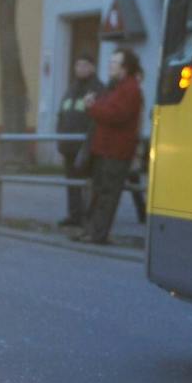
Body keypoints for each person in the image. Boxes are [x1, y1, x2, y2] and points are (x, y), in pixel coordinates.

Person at [79, 48, 143, 246]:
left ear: (125, 68)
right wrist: (95, 105)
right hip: (104, 150)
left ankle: (98, 234)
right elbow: (106, 108)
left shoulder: (130, 89)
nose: (110, 65)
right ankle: (90, 232)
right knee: (98, 193)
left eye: (115, 62)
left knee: (107, 195)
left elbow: (115, 115)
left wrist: (92, 107)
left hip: (115, 153)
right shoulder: (115, 87)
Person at [54, 55, 103, 228]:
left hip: (86, 146)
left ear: (92, 67)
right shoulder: (71, 88)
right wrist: (59, 139)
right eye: (77, 65)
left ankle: (89, 217)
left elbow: (97, 119)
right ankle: (74, 215)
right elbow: (61, 115)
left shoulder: (97, 89)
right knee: (72, 183)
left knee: (88, 182)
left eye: (84, 65)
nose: (80, 69)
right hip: (68, 145)